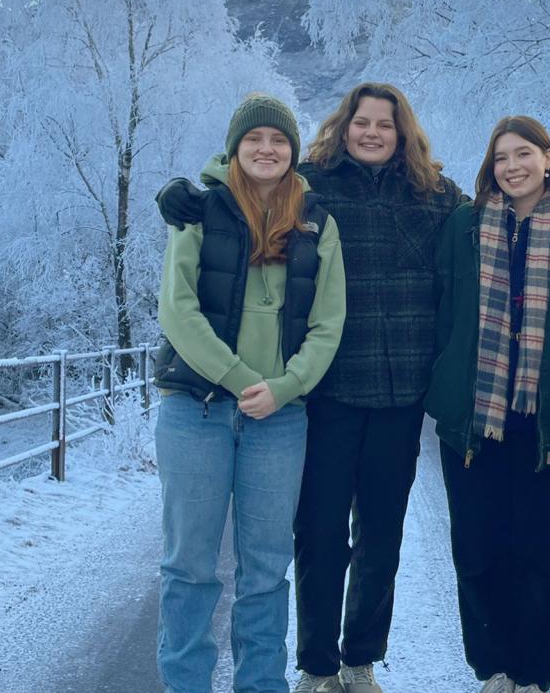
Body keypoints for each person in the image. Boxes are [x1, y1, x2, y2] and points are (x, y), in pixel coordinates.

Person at [160, 83, 464, 693]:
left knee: (380, 534)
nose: (373, 133)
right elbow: (244, 181)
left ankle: (360, 659)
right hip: (324, 391)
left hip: (399, 388)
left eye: (386, 124)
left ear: (403, 133)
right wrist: (181, 194)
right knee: (317, 533)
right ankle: (317, 666)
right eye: (362, 122)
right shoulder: (314, 185)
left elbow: (488, 220)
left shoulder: (435, 196)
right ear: (342, 128)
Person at [151, 94, 345, 693]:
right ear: (236, 147)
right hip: (197, 412)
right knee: (189, 568)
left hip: (280, 422)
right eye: (255, 138)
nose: (268, 149)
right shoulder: (198, 212)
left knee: (266, 571)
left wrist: (284, 389)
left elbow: (328, 323)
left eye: (279, 140)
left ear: (293, 151)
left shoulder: (317, 221)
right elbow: (177, 312)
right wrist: (241, 382)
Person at [426, 117, 550, 693]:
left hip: (546, 423)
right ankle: (491, 669)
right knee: (477, 546)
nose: (512, 167)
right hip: (475, 420)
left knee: (543, 554)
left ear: (548, 159)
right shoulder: (464, 228)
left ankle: (534, 674)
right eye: (501, 158)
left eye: (524, 154)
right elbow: (441, 309)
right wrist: (445, 381)